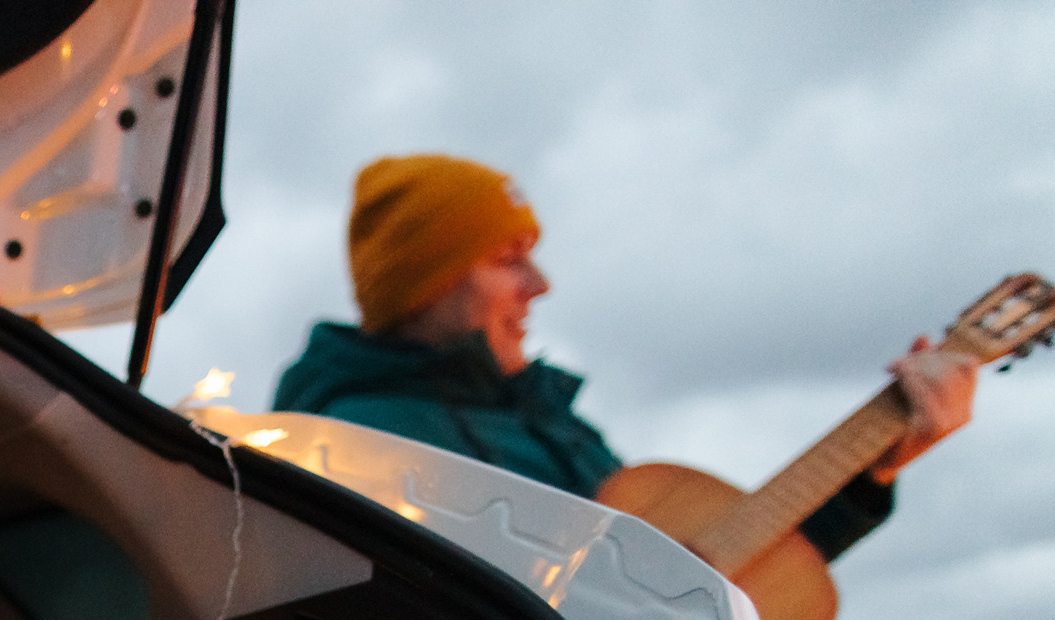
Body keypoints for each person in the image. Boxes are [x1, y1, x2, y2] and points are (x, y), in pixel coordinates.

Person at [272, 154, 975, 592]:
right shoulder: (356, 442)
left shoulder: (557, 427)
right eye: (508, 258)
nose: (539, 284)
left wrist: (871, 471)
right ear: (426, 282)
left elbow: (692, 590)